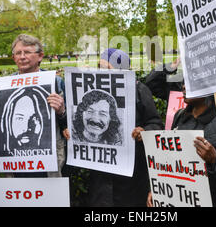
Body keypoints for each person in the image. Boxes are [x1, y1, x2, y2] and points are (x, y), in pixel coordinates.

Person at [67, 48, 163, 206]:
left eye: (107, 68)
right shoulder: (91, 90)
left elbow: (155, 123)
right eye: (100, 66)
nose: (101, 71)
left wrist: (144, 132)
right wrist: (69, 129)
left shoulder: (139, 90)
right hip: (100, 175)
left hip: (131, 175)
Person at [0, 34, 67, 180]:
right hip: (14, 167)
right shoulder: (3, 87)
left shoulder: (56, 83)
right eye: (18, 53)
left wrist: (61, 111)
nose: (22, 57)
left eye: (27, 52)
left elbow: (72, 126)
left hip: (50, 167)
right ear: (13, 58)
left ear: (40, 56)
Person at [147, 84, 216, 207]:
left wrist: (215, 159)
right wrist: (158, 191)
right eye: (183, 82)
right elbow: (169, 160)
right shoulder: (180, 116)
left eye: (190, 82)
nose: (183, 86)